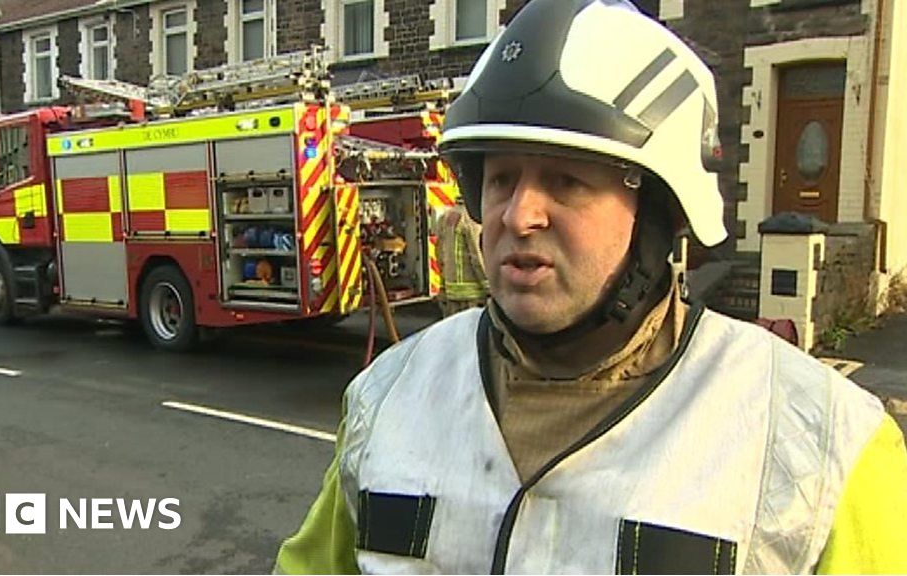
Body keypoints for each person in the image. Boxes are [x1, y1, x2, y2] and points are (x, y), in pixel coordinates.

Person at [275, 0, 907, 573]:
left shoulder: (822, 445)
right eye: (501, 179)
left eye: (567, 182)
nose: (519, 216)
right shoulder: (388, 397)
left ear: (659, 211)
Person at [434, 197, 488, 316]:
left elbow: (439, 253)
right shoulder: (472, 220)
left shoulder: (445, 217)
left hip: (451, 293)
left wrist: (443, 287)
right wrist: (490, 288)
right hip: (473, 295)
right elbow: (477, 257)